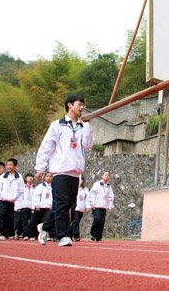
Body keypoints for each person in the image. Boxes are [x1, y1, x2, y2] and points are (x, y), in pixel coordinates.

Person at [35, 94, 95, 247]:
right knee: (62, 204)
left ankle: (45, 227)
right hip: (60, 171)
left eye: (83, 105)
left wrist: (87, 126)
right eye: (79, 104)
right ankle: (63, 236)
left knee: (67, 204)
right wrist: (40, 168)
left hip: (75, 173)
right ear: (69, 105)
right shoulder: (57, 125)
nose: (82, 107)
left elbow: (88, 145)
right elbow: (46, 147)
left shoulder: (82, 126)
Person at [0, 158, 25, 241]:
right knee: (0, 215)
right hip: (2, 200)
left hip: (12, 201)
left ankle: (4, 233)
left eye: (10, 165)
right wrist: (2, 196)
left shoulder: (19, 177)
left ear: (15, 166)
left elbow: (21, 189)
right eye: (7, 165)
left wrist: (15, 197)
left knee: (9, 217)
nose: (8, 167)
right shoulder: (2, 177)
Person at [88, 171, 114, 242]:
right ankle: (93, 234)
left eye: (108, 175)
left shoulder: (109, 186)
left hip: (104, 206)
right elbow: (92, 194)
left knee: (102, 222)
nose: (106, 176)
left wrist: (110, 206)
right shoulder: (97, 184)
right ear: (102, 176)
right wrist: (92, 203)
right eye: (105, 175)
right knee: (97, 219)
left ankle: (99, 236)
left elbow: (110, 196)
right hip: (96, 206)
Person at [33, 172, 54, 242]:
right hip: (41, 206)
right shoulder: (40, 186)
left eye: (50, 176)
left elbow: (53, 197)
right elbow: (36, 196)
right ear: (44, 177)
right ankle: (33, 234)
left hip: (49, 207)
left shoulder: (53, 187)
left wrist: (51, 205)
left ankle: (46, 234)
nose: (49, 178)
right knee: (36, 220)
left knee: (47, 220)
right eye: (47, 176)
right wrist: (37, 205)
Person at [15, 173, 35, 240]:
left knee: (32, 222)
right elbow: (19, 198)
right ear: (25, 178)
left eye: (31, 177)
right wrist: (18, 207)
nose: (30, 178)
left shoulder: (34, 187)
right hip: (24, 207)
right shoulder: (22, 187)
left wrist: (34, 206)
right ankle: (24, 234)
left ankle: (31, 234)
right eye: (29, 177)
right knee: (24, 221)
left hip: (32, 207)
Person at [71, 177, 89, 242]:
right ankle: (76, 235)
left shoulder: (85, 189)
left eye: (81, 179)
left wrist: (87, 207)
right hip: (74, 208)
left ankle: (70, 234)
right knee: (75, 221)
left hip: (81, 208)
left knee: (76, 222)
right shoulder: (72, 188)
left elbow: (87, 198)